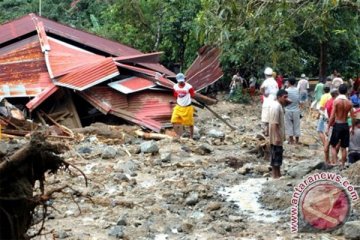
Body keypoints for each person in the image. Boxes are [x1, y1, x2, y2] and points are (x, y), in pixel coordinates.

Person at [326, 84, 354, 167]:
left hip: (338, 124)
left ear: (338, 91)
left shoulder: (336, 101)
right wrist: (352, 127)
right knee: (344, 147)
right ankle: (342, 165)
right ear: (346, 92)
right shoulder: (349, 103)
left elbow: (332, 116)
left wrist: (328, 127)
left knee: (333, 145)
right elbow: (353, 117)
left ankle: (335, 163)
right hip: (345, 125)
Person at [269, 89, 290, 178]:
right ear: (279, 97)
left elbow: (289, 102)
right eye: (284, 97)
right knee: (275, 157)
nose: (286, 99)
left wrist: (285, 99)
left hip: (277, 136)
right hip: (276, 137)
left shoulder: (279, 105)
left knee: (278, 156)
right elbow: (274, 123)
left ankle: (278, 175)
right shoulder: (276, 107)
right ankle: (275, 175)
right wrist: (277, 137)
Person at [171, 73, 195, 139]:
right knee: (174, 120)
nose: (181, 83)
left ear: (185, 79)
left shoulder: (189, 87)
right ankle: (178, 135)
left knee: (190, 123)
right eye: (179, 81)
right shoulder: (175, 86)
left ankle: (191, 137)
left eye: (182, 81)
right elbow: (175, 95)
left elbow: (192, 95)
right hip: (178, 106)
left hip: (187, 107)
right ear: (177, 80)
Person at [260, 67, 279, 136]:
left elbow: (261, 88)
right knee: (272, 118)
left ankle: (265, 132)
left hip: (267, 102)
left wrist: (264, 94)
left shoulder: (266, 81)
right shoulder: (275, 82)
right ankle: (271, 133)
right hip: (274, 101)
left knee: (265, 118)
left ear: (265, 74)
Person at [324, 89, 339, 165]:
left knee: (329, 142)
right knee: (333, 144)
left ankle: (327, 160)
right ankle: (334, 161)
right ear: (336, 94)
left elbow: (326, 115)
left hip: (330, 124)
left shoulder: (328, 102)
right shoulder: (337, 102)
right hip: (334, 125)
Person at [285, 77, 301, 144]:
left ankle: (291, 140)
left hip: (288, 110)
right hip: (296, 110)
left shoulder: (286, 91)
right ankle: (297, 141)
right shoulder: (297, 90)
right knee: (296, 125)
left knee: (289, 125)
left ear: (288, 82)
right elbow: (299, 100)